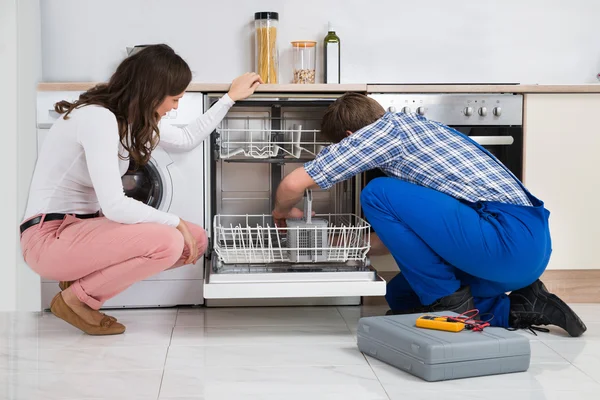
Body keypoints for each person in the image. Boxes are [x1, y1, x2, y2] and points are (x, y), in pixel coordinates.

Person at [272, 92, 586, 337]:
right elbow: (398, 238)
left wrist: (282, 212)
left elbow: (292, 183)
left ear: (354, 136)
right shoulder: (418, 132)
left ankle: (453, 308)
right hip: (530, 249)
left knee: (376, 192)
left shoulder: (383, 133)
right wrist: (331, 242)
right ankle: (524, 305)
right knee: (401, 295)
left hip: (507, 240)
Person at [20, 44, 262, 335]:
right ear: (151, 92)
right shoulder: (98, 118)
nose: (175, 107)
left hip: (81, 231)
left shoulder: (128, 121)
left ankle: (78, 285)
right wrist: (175, 221)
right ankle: (76, 300)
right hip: (48, 238)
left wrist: (229, 98)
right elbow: (115, 205)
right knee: (170, 241)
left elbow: (186, 138)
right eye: (174, 99)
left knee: (194, 241)